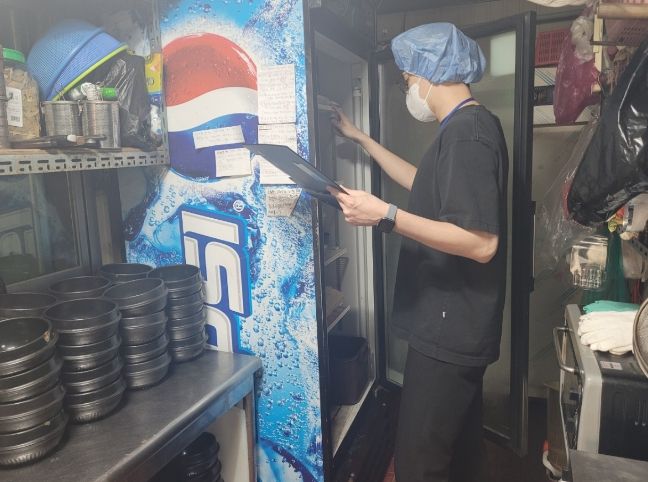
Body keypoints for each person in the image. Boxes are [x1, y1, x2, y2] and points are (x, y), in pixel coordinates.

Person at [327, 23, 508, 482]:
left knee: (418, 463)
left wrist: (386, 216)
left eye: (408, 79)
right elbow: (421, 181)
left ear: (431, 72)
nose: (410, 90)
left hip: (450, 332)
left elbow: (481, 243)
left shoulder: (467, 134)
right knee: (460, 454)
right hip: (456, 329)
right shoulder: (465, 127)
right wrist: (360, 138)